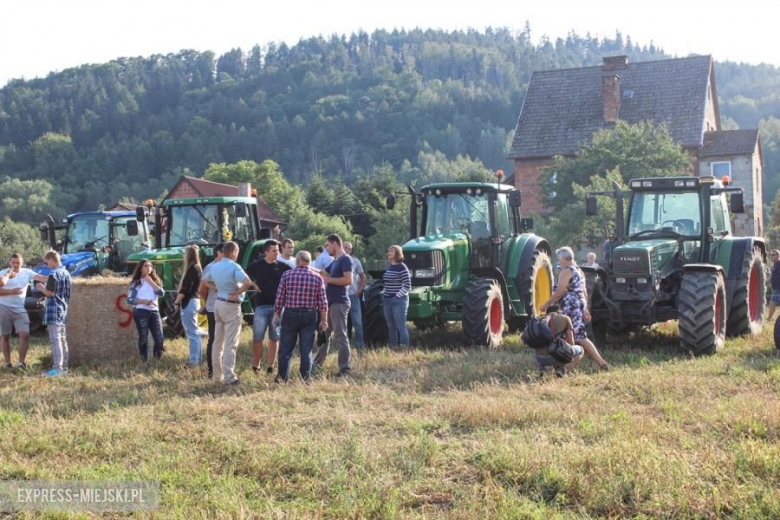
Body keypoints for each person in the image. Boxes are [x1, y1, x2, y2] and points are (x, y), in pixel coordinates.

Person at [540, 246, 609, 371]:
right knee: (569, 334)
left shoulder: (566, 271)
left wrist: (546, 304)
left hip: (570, 306)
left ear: (563, 258)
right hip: (578, 305)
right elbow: (584, 292)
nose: (558, 261)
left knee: (579, 336)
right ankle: (563, 365)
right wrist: (586, 309)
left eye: (558, 258)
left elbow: (560, 291)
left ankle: (601, 363)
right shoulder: (579, 270)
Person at [202, 240, 254, 385]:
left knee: (217, 342)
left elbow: (205, 281)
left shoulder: (214, 266)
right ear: (234, 252)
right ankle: (229, 376)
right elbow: (247, 282)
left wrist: (218, 287)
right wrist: (238, 292)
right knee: (231, 342)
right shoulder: (234, 266)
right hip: (231, 305)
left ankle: (217, 376)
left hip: (218, 303)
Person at [274, 251, 328, 382]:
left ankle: (282, 377)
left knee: (286, 348)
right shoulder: (317, 277)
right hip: (309, 314)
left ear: (297, 261)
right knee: (306, 349)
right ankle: (305, 377)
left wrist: (276, 314)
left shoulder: (287, 275)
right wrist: (323, 320)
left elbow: (279, 297)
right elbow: (323, 301)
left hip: (290, 313)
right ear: (309, 262)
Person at [246, 239, 291, 375]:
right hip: (261, 306)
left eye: (278, 250)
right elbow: (244, 276)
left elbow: (292, 277)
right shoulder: (256, 266)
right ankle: (256, 364)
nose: (277, 253)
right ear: (266, 252)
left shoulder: (283, 267)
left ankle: (271, 366)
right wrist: (253, 285)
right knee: (257, 337)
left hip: (278, 308)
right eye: (274, 251)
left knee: (274, 337)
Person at [0, 253, 49, 369]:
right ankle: (8, 363)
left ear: (22, 264)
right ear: (9, 263)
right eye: (13, 262)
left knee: (25, 334)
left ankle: (21, 362)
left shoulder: (27, 272)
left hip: (20, 308)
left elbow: (42, 278)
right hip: (4, 307)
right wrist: (11, 291)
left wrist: (57, 274)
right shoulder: (3, 273)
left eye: (18, 263)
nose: (15, 265)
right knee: (5, 336)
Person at [313, 234, 353, 376]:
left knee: (340, 336)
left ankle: (345, 369)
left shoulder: (345, 259)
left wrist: (329, 280)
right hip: (330, 303)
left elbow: (348, 280)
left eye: (327, 245)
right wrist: (307, 268)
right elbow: (323, 272)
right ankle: (316, 364)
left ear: (334, 243)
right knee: (324, 334)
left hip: (339, 303)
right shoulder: (335, 261)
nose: (326, 249)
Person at [35, 251, 72, 376]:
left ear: (51, 259)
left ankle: (57, 368)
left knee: (55, 340)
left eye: (46, 262)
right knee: (62, 339)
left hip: (53, 310)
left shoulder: (54, 273)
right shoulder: (67, 274)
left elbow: (50, 293)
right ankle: (64, 366)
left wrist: (40, 287)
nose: (46, 265)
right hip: (63, 309)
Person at [127, 260, 165, 361]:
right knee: (143, 336)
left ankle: (158, 359)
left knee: (159, 337)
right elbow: (130, 299)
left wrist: (150, 281)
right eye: (145, 266)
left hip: (154, 311)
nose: (148, 268)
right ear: (140, 269)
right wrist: (143, 301)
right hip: (141, 311)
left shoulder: (156, 281)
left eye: (150, 266)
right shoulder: (136, 283)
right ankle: (144, 359)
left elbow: (161, 293)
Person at [535, 306, 584, 377]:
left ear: (547, 313)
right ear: (559, 311)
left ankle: (542, 369)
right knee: (581, 350)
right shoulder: (565, 318)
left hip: (539, 358)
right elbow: (571, 342)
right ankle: (562, 368)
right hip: (556, 356)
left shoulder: (539, 321)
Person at [198, 243, 224, 379]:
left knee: (225, 339)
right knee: (214, 338)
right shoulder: (211, 267)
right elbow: (202, 288)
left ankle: (222, 369)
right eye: (225, 252)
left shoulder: (230, 266)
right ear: (218, 253)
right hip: (213, 307)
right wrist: (208, 302)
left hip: (227, 306)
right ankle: (212, 370)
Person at [175, 245, 203, 367]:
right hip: (194, 302)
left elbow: (186, 289)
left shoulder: (192, 269)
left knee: (192, 333)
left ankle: (194, 361)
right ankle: (196, 358)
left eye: (185, 253)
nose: (183, 256)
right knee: (194, 332)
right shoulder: (197, 268)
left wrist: (176, 302)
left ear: (189, 255)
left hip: (189, 302)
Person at [382, 245, 412, 349]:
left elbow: (407, 285)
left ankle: (404, 348)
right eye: (388, 250)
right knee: (391, 326)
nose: (389, 252)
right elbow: (387, 282)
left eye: (392, 251)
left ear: (398, 253)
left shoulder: (402, 267)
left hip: (398, 301)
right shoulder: (389, 266)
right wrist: (384, 293)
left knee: (400, 326)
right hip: (387, 300)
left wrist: (397, 296)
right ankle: (393, 347)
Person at [343, 241, 366, 350]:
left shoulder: (355, 261)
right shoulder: (336, 261)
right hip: (342, 296)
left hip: (353, 295)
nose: (347, 250)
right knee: (343, 324)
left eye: (349, 249)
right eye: (345, 248)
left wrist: (359, 290)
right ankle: (344, 347)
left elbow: (363, 277)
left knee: (358, 323)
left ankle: (360, 345)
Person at [767, 249, 780, 321]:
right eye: (771, 255)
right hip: (775, 287)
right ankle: (770, 318)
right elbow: (771, 276)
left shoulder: (779, 263)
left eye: (773, 255)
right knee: (773, 302)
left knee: (772, 302)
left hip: (778, 287)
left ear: (778, 256)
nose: (772, 256)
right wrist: (765, 283)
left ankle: (769, 318)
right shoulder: (773, 265)